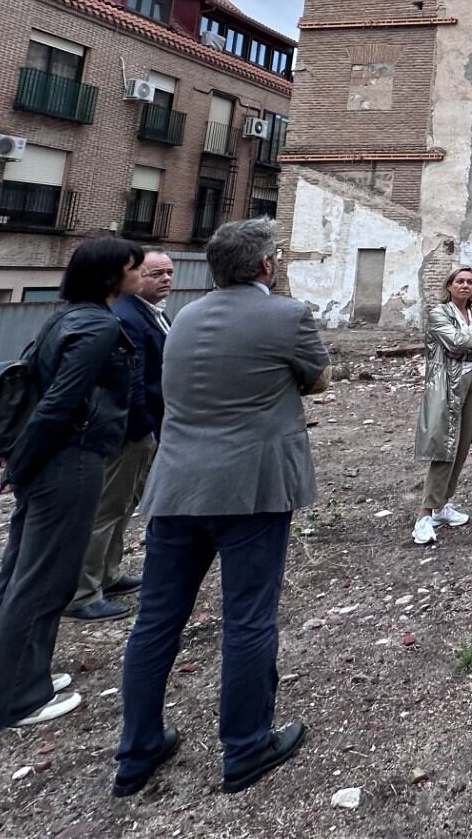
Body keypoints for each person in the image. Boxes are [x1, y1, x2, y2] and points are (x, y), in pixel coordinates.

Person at [113, 219, 330, 798]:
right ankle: (245, 746)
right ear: (265, 266)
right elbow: (318, 380)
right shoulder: (287, 315)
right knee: (248, 618)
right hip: (251, 489)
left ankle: (136, 750)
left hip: (177, 487)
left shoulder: (183, 316)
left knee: (156, 622)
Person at [0, 238, 143, 732]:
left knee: (19, 574)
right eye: (133, 266)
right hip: (70, 461)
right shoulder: (100, 325)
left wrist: (14, 458)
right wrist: (20, 463)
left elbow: (34, 387)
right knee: (44, 580)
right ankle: (14, 700)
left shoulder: (65, 318)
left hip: (51, 460)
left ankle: (2, 684)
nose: (140, 271)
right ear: (113, 277)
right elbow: (59, 402)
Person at [68, 249, 173, 620]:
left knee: (122, 505)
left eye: (169, 272)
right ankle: (81, 593)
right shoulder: (127, 318)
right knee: (106, 509)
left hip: (140, 431)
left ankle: (108, 574)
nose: (165, 279)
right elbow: (133, 382)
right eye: (153, 272)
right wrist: (144, 428)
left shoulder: (149, 315)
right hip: (131, 433)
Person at [412, 267, 472, 544]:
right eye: (460, 281)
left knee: (462, 445)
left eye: (470, 282)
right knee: (445, 447)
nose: (465, 285)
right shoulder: (439, 314)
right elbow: (455, 340)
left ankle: (442, 505)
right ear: (449, 285)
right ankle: (424, 515)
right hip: (447, 386)